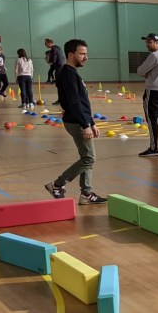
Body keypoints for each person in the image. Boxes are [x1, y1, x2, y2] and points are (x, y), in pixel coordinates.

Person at [44, 39, 106, 204]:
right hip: (76, 121)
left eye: (86, 53)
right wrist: (85, 125)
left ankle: (86, 193)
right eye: (82, 54)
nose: (86, 57)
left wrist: (91, 122)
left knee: (86, 157)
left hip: (81, 120)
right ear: (71, 55)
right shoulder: (67, 74)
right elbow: (74, 102)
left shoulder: (72, 72)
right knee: (89, 159)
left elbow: (83, 102)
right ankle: (57, 185)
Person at [136, 32, 158, 157]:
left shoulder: (154, 56)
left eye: (149, 42)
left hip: (153, 91)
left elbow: (140, 70)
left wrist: (147, 73)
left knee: (151, 120)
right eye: (146, 42)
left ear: (156, 42)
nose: (147, 44)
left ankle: (153, 148)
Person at [14, 48, 34, 113]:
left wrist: (16, 77)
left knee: (23, 90)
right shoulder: (29, 60)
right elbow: (32, 69)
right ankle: (31, 103)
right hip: (29, 76)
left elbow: (16, 70)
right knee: (29, 90)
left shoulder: (19, 60)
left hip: (21, 76)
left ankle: (24, 104)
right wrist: (31, 76)